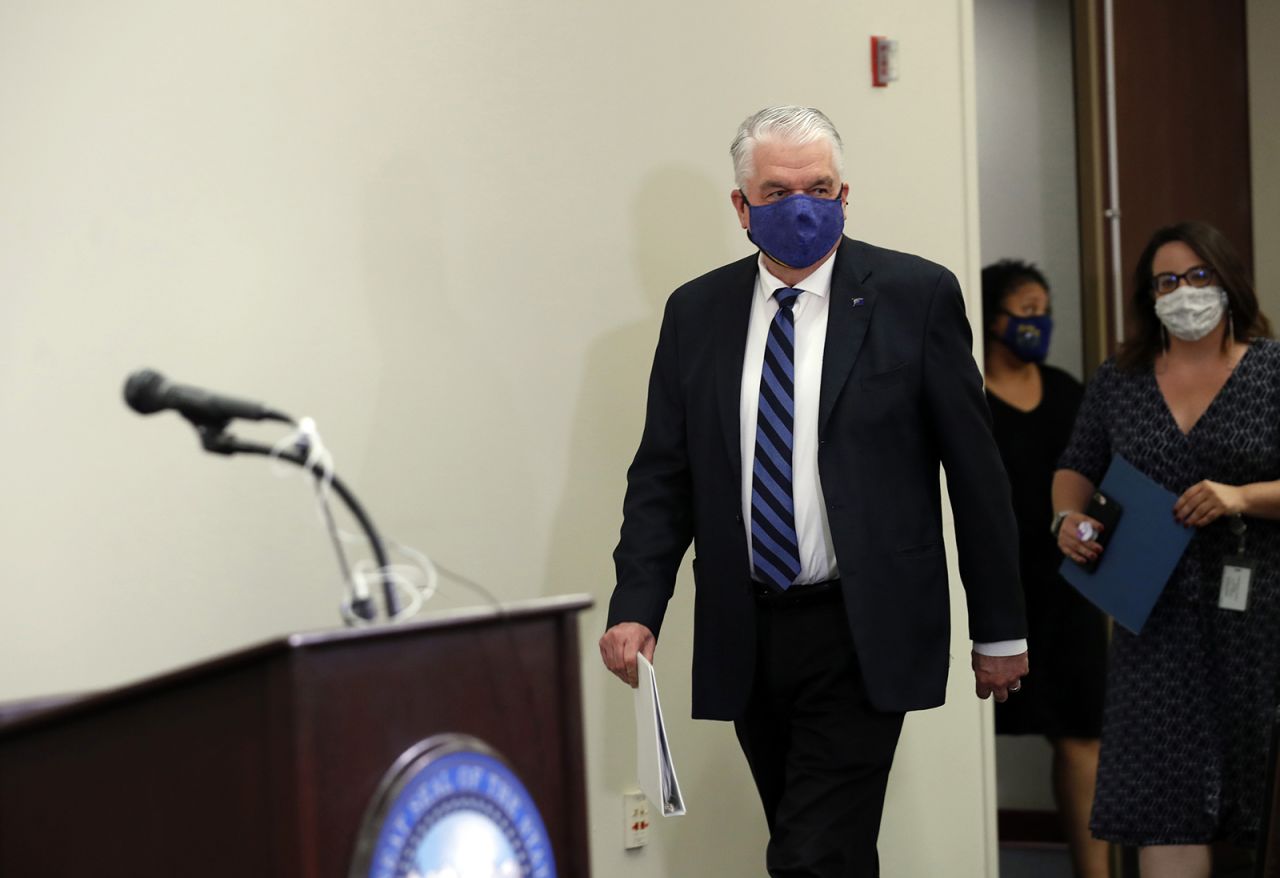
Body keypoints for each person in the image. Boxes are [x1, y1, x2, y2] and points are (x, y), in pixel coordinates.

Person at [599, 105, 1029, 877]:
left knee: (809, 854)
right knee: (824, 847)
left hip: (863, 627)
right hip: (749, 627)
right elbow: (664, 475)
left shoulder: (914, 296)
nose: (802, 206)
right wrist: (637, 605)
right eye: (777, 190)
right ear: (741, 206)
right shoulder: (697, 313)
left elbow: (976, 476)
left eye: (819, 186)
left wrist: (999, 630)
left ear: (844, 192)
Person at [1053, 220, 1280, 877]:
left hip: (1256, 617)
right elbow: (1076, 468)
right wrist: (1066, 518)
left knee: (1257, 793)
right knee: (1162, 802)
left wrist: (1240, 497)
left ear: (1229, 282)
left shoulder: (1270, 370)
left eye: (1199, 276)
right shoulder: (1120, 379)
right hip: (1153, 623)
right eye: (1167, 281)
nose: (1185, 292)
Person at [981, 259, 1109, 878]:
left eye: (1043, 309)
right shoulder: (966, 393)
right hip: (995, 589)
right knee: (977, 735)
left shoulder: (1064, 390)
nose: (1039, 322)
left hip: (1068, 591)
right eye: (1025, 311)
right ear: (992, 318)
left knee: (1083, 734)